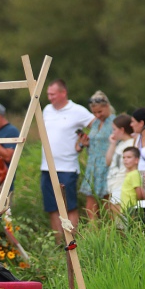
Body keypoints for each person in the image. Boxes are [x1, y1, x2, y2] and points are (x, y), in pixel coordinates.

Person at [41, 79, 93, 237]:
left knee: (69, 207)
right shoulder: (47, 110)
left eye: (53, 94)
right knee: (52, 207)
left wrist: (84, 142)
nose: (50, 98)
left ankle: (71, 242)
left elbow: (97, 126)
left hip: (67, 166)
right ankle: (58, 243)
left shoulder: (78, 110)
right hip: (46, 167)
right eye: (48, 94)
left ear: (63, 93)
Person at [79, 91, 116, 219]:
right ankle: (93, 230)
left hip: (107, 165)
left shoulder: (114, 122)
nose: (97, 115)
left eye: (100, 112)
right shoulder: (95, 123)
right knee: (90, 201)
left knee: (108, 201)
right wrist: (86, 144)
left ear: (107, 106)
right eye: (94, 113)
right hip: (93, 165)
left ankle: (112, 231)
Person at [106, 114, 135, 209]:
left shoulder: (131, 144)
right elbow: (108, 162)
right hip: (114, 185)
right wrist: (113, 144)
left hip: (122, 185)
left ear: (122, 130)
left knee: (120, 219)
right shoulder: (120, 144)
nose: (113, 132)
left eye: (114, 129)